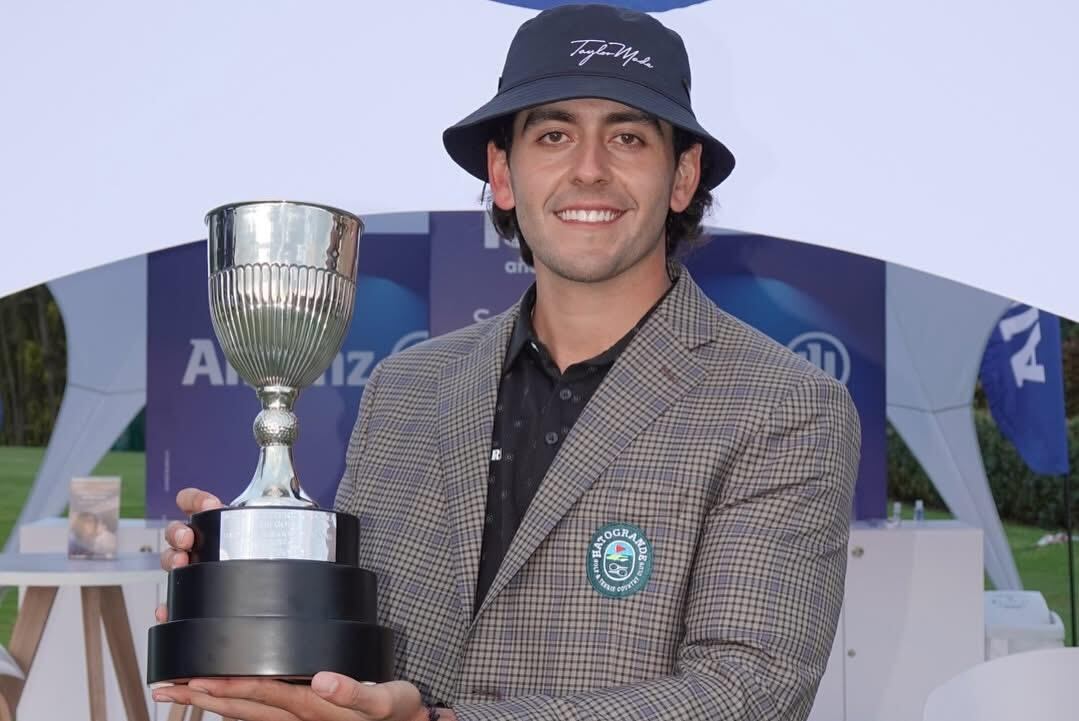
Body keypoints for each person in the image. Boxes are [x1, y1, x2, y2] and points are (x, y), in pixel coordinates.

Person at [153, 4, 861, 720]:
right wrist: (258, 589)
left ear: (681, 177)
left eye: (627, 137)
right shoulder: (406, 387)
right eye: (553, 135)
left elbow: (745, 694)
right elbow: (358, 658)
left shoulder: (783, 406)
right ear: (502, 172)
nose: (589, 169)